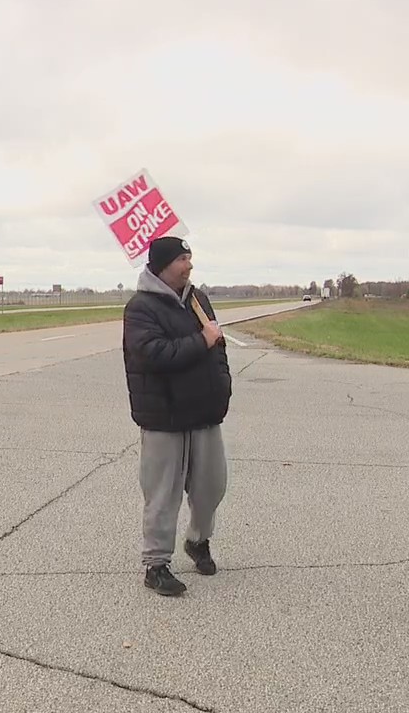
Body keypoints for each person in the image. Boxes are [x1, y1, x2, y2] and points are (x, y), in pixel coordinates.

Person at [122, 236, 232, 597]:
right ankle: (156, 565)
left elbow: (217, 349)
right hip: (164, 416)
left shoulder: (198, 300)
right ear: (162, 265)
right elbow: (153, 355)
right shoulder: (141, 308)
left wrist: (222, 386)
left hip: (203, 412)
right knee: (162, 493)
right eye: (182, 258)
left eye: (190, 257)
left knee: (211, 486)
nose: (189, 264)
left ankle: (198, 541)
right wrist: (202, 340)